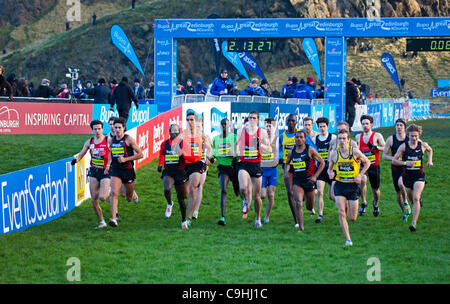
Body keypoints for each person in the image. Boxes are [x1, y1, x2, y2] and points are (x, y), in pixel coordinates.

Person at [328, 129, 370, 246]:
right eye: (339, 139)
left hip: (352, 186)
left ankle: (351, 208)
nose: (341, 141)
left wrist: (360, 175)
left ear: (348, 140)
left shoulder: (355, 152)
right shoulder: (334, 154)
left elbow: (367, 162)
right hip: (340, 185)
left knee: (352, 218)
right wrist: (330, 173)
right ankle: (348, 239)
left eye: (344, 138)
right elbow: (329, 168)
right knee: (341, 212)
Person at [392, 124, 433, 232]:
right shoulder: (404, 146)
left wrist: (430, 160)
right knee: (412, 199)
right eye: (411, 136)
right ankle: (417, 203)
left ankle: (413, 224)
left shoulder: (422, 145)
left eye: (416, 136)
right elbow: (394, 160)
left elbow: (430, 150)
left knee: (416, 197)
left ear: (419, 135)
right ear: (408, 136)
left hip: (419, 177)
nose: (414, 138)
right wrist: (406, 163)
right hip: (407, 177)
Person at [71, 120, 110, 229]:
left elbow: (114, 153)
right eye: (95, 129)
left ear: (103, 129)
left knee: (103, 197)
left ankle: (110, 193)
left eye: (99, 128)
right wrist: (76, 160)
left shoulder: (108, 140)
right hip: (93, 171)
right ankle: (102, 222)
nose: (97, 131)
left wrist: (110, 164)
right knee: (94, 199)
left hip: (105, 171)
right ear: (92, 130)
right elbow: (81, 154)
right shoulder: (90, 142)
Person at [235, 111, 271, 228]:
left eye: (254, 118)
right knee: (242, 187)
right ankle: (245, 200)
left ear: (258, 120)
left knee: (257, 196)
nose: (252, 120)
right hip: (244, 163)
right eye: (250, 118)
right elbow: (236, 144)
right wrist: (236, 155)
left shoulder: (262, 132)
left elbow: (269, 149)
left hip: (256, 165)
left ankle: (257, 218)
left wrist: (260, 145)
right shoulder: (241, 130)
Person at [105, 117, 143, 227]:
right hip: (116, 170)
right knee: (114, 193)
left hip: (128, 170)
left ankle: (133, 195)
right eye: (115, 127)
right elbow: (111, 153)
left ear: (124, 128)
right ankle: (113, 219)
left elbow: (140, 154)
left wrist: (125, 159)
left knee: (127, 197)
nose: (117, 129)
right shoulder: (111, 140)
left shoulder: (128, 139)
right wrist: (108, 165)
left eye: (119, 127)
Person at [285, 130, 325, 231]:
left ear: (305, 139)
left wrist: (315, 176)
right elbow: (287, 162)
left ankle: (311, 206)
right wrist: (287, 172)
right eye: (297, 137)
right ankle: (301, 227)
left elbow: (322, 163)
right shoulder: (291, 151)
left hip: (309, 181)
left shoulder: (310, 150)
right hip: (297, 181)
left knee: (309, 206)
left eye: (301, 137)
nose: (298, 139)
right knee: (298, 202)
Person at [180, 112, 210, 227]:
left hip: (197, 164)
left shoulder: (201, 135)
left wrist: (209, 157)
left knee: (193, 188)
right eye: (188, 120)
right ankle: (187, 210)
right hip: (185, 165)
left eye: (192, 120)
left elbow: (209, 148)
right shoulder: (182, 134)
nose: (190, 122)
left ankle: (189, 217)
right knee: (184, 193)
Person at [157, 123, 189, 229]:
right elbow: (162, 154)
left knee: (182, 197)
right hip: (169, 171)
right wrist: (160, 164)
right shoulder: (165, 143)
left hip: (180, 171)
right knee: (167, 189)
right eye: (172, 131)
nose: (174, 133)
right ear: (169, 132)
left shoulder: (183, 143)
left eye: (176, 131)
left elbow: (188, 155)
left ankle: (183, 220)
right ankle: (169, 203)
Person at [382, 118, 411, 222]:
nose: (399, 127)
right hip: (395, 168)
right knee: (398, 193)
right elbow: (384, 156)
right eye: (397, 125)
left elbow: (420, 145)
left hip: (407, 167)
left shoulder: (409, 138)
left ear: (405, 127)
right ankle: (404, 212)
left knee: (401, 184)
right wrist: (394, 158)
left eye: (401, 125)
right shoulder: (391, 139)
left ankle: (407, 201)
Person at [356, 115, 385, 217]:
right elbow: (357, 150)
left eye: (367, 123)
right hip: (363, 165)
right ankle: (363, 203)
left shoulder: (377, 135)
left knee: (375, 189)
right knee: (363, 180)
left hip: (374, 165)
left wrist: (376, 147)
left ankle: (376, 204)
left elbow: (385, 147)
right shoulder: (358, 137)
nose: (365, 126)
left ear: (371, 124)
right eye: (363, 124)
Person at [212, 118, 239, 226]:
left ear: (229, 126)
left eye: (226, 124)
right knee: (224, 189)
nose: (224, 126)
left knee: (238, 191)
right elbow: (213, 152)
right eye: (222, 124)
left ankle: (244, 200)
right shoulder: (216, 139)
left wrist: (232, 153)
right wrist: (212, 158)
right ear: (220, 125)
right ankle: (222, 217)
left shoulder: (234, 137)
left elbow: (239, 152)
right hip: (223, 167)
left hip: (233, 166)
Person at [312, 117, 336, 223]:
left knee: (332, 196)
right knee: (320, 192)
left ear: (328, 126)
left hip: (331, 169)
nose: (322, 128)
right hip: (320, 169)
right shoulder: (315, 139)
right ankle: (320, 215)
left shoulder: (333, 138)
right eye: (320, 127)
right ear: (317, 127)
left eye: (324, 126)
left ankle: (344, 207)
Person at [279, 114, 300, 227]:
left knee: (301, 192)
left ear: (296, 122)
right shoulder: (282, 135)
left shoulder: (300, 135)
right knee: (290, 192)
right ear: (286, 122)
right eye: (289, 121)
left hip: (300, 166)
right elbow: (278, 149)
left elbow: (310, 147)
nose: (291, 123)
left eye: (293, 121)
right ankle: (296, 219)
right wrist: (280, 157)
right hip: (287, 166)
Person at [192, 119, 213, 220]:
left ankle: (196, 210)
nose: (197, 129)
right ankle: (191, 207)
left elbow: (210, 151)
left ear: (202, 127)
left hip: (202, 164)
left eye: (199, 127)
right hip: (191, 164)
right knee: (191, 188)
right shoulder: (189, 137)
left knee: (199, 186)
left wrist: (208, 158)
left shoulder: (205, 138)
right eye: (196, 126)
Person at [260, 118, 279, 223]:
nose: (268, 128)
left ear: (274, 127)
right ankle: (258, 213)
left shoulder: (277, 139)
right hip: (263, 169)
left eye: (270, 126)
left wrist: (278, 159)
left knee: (271, 194)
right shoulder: (261, 139)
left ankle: (267, 216)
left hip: (273, 170)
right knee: (262, 195)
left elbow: (280, 152)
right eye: (266, 126)